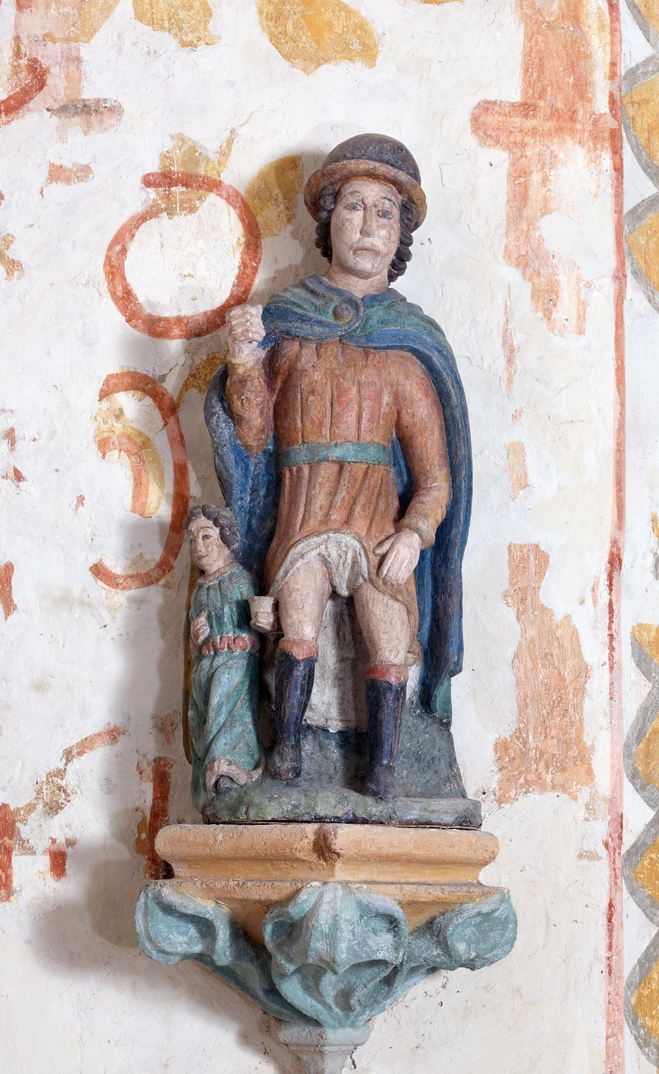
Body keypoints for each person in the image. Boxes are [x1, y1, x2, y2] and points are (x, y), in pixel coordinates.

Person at [205, 134, 472, 801]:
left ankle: (383, 766)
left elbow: (436, 477)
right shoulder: (289, 331)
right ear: (328, 220)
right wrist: (243, 362)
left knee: (387, 629)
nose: (368, 226)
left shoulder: (407, 350)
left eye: (385, 212)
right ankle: (288, 749)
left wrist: (413, 535)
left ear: (401, 233)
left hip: (374, 525)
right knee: (297, 621)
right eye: (353, 206)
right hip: (303, 516)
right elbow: (252, 436)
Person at [184, 505, 263, 809]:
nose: (198, 547)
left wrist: (264, 625)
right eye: (192, 540)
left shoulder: (241, 580)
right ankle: (210, 775)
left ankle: (230, 769)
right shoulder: (199, 591)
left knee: (227, 713)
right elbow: (194, 645)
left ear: (226, 540)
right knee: (201, 717)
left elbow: (261, 627)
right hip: (206, 666)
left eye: (206, 536)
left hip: (236, 663)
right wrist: (196, 637)